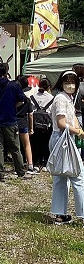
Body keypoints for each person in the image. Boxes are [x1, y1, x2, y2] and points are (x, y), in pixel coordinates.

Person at [48, 70, 84, 224]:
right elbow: (61, 123)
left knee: (61, 178)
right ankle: (82, 215)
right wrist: (78, 131)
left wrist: (78, 128)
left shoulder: (68, 98)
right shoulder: (61, 99)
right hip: (63, 139)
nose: (70, 85)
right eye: (66, 82)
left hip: (63, 138)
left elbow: (73, 117)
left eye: (73, 83)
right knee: (78, 176)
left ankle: (59, 214)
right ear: (61, 83)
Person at [0, 62, 28, 180]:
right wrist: (12, 107)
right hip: (10, 120)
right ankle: (20, 172)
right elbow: (21, 100)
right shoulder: (14, 85)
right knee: (15, 147)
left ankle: (0, 173)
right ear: (6, 72)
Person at [30, 77, 54, 170]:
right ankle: (45, 163)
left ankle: (36, 162)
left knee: (35, 144)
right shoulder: (51, 98)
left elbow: (31, 111)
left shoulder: (32, 97)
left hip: (35, 124)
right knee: (46, 144)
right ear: (49, 87)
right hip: (47, 125)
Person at [15, 75, 38, 175]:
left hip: (13, 123)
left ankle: (18, 166)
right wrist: (31, 128)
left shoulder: (14, 97)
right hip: (23, 123)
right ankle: (30, 166)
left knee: (16, 146)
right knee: (27, 144)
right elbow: (31, 114)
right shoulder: (27, 99)